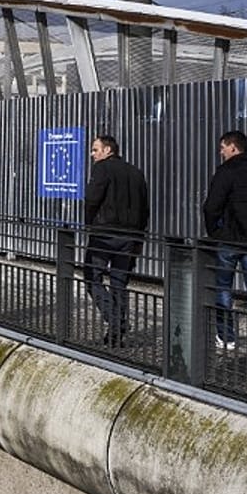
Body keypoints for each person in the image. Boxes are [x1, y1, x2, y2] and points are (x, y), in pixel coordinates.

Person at [202, 130, 247, 351]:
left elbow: (211, 206)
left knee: (223, 288)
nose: (221, 151)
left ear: (233, 147)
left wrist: (215, 232)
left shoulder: (226, 172)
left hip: (230, 239)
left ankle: (227, 338)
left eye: (223, 147)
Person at [83, 134, 149, 347]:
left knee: (92, 277)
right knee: (119, 283)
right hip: (130, 236)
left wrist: (89, 223)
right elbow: (145, 208)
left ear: (108, 150)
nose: (92, 154)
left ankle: (116, 321)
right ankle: (115, 333)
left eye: (95, 149)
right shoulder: (136, 173)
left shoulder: (102, 169)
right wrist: (140, 236)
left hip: (105, 233)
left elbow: (92, 197)